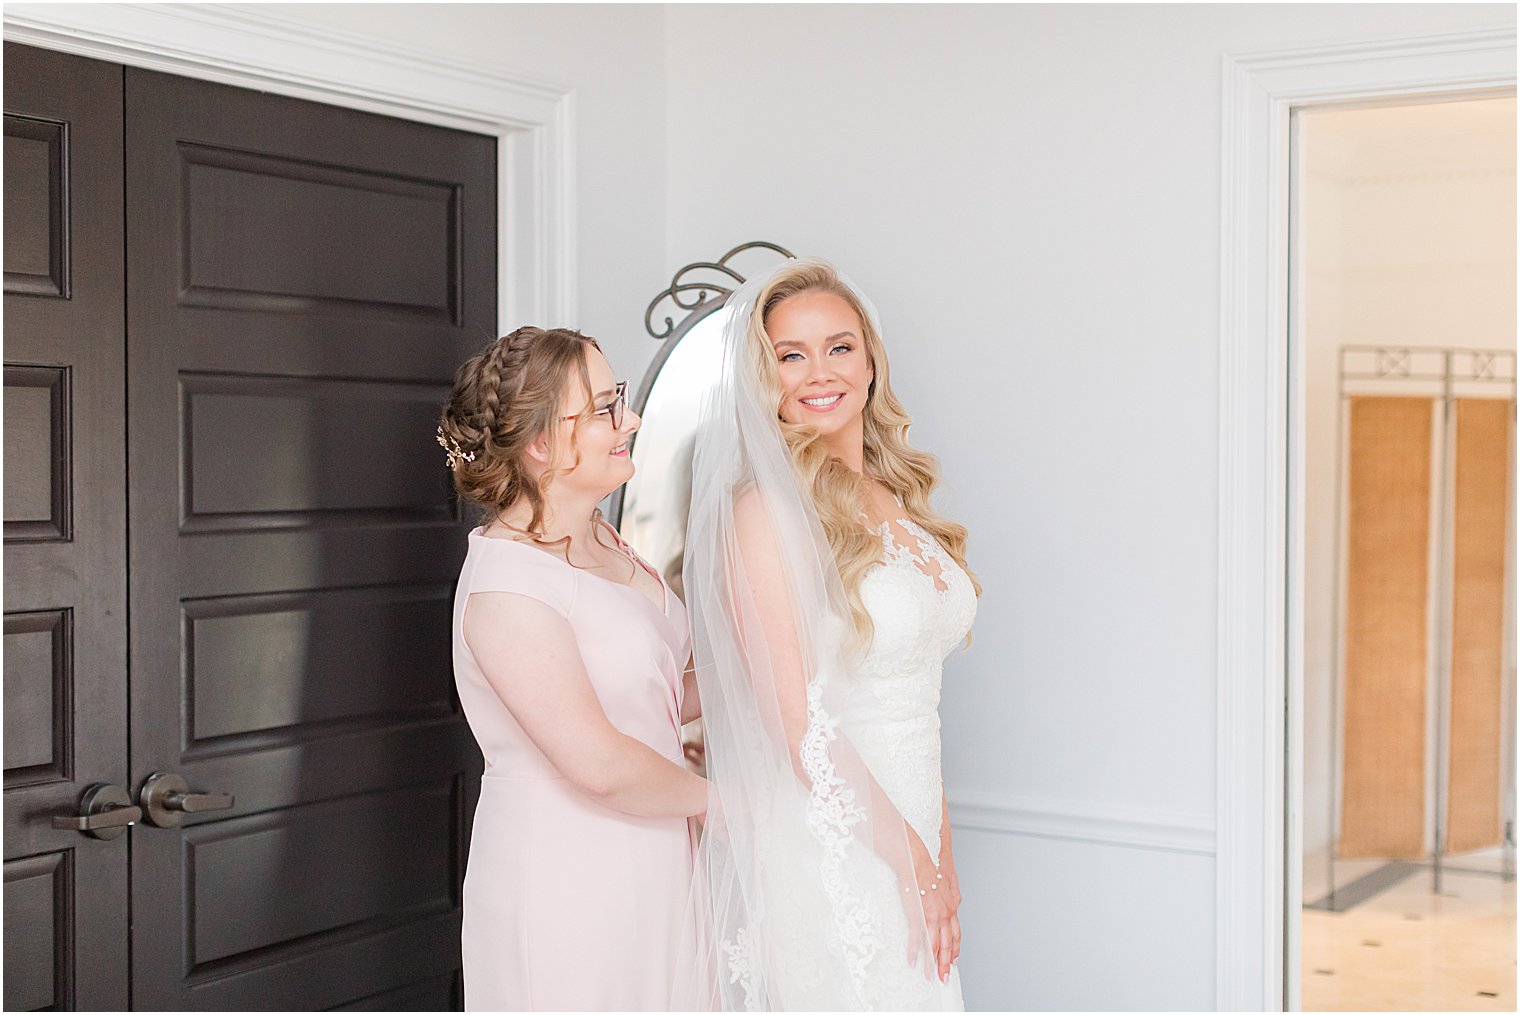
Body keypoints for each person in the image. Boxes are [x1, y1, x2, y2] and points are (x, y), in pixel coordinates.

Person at [679, 258, 979, 1010]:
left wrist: (938, 852)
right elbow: (797, 720)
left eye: (839, 346)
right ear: (763, 375)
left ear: (871, 361)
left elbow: (921, 704)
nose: (820, 371)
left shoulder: (896, 493)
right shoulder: (765, 512)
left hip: (910, 824)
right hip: (833, 838)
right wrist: (910, 857)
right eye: (791, 354)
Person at [438, 326, 707, 1011]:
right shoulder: (507, 584)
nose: (633, 419)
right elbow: (599, 761)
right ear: (538, 443)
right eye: (605, 408)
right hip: (567, 873)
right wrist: (734, 806)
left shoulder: (603, 538)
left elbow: (654, 695)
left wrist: (778, 673)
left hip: (654, 855)